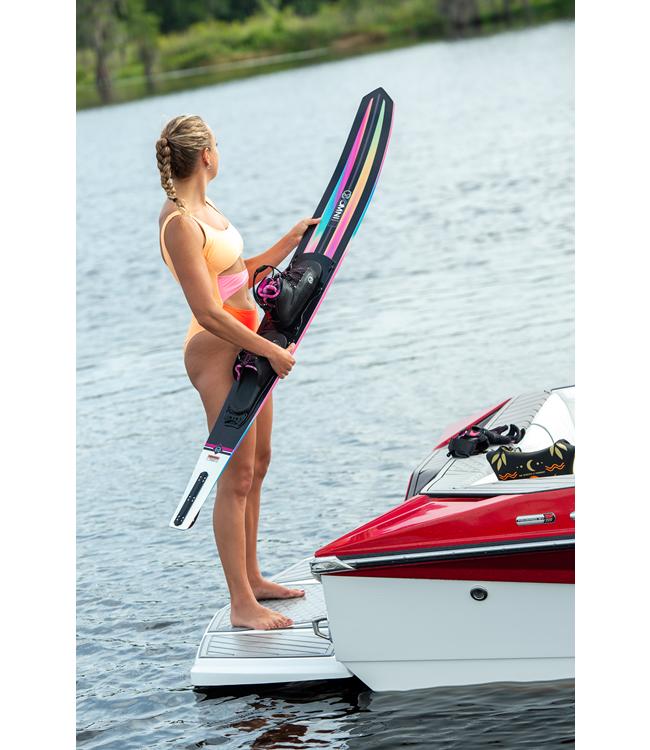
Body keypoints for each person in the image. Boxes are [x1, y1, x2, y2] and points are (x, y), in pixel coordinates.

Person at [155, 115, 319, 630]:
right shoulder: (179, 222)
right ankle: (241, 603)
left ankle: (254, 578)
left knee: (258, 464)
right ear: (206, 155)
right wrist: (268, 350)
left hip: (249, 340)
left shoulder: (207, 210)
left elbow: (232, 279)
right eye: (217, 146)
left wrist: (288, 243)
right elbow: (207, 310)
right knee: (236, 474)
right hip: (216, 351)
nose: (220, 152)